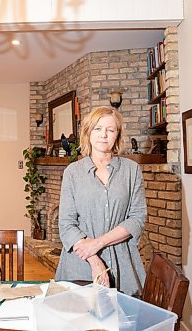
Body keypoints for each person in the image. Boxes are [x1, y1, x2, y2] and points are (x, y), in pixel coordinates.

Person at [54, 106, 147, 296]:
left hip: (123, 265)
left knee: (123, 322)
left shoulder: (132, 170)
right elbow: (66, 224)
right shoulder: (72, 172)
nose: (103, 135)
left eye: (110, 130)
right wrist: (94, 259)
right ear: (88, 133)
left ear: (117, 135)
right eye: (98, 128)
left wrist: (98, 243)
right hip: (79, 264)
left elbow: (137, 218)